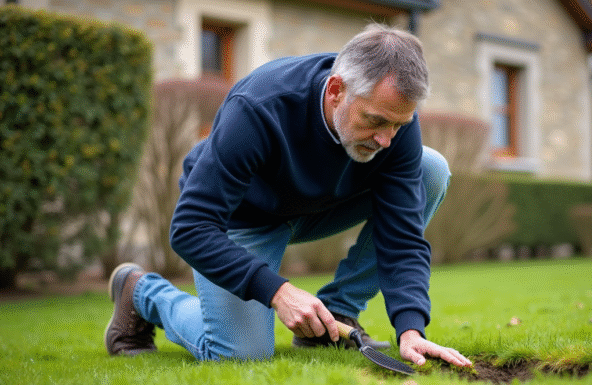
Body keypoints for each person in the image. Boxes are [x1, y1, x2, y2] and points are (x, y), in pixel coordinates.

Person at [105, 23, 472, 368]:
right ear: (335, 91)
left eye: (398, 125)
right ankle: (143, 292)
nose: (387, 139)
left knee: (431, 169)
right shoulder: (259, 106)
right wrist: (278, 291)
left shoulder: (392, 117)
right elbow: (190, 227)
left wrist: (410, 329)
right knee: (239, 355)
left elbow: (403, 238)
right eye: (375, 121)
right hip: (246, 218)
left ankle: (337, 314)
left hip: (320, 208)